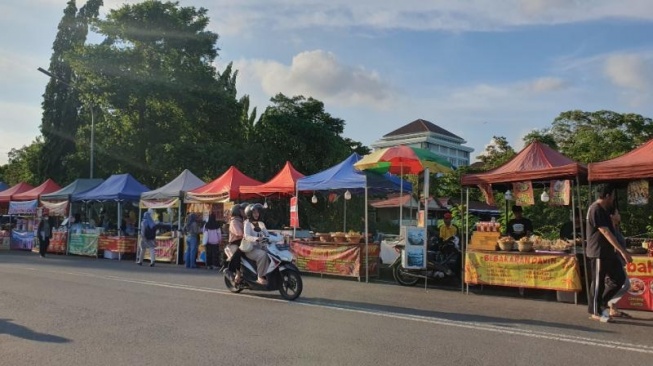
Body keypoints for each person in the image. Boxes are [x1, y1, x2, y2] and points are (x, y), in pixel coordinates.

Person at [586, 183, 632, 323]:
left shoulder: (605, 210)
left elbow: (611, 229)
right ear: (607, 195)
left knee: (619, 279)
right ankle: (595, 311)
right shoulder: (595, 209)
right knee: (599, 283)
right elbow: (605, 232)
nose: (613, 199)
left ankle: (601, 304)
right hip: (598, 252)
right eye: (612, 196)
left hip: (608, 253)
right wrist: (623, 251)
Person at [606, 208, 632, 319]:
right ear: (611, 216)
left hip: (619, 262)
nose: (619, 215)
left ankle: (612, 308)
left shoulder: (616, 228)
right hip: (614, 262)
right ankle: (608, 305)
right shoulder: (609, 230)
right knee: (625, 284)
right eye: (617, 213)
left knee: (623, 284)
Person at [243, 203, 271, 285]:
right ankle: (260, 277)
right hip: (250, 249)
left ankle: (268, 275)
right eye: (254, 212)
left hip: (260, 247)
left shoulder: (261, 223)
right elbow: (246, 236)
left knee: (272, 254)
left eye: (257, 212)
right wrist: (256, 239)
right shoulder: (247, 223)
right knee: (263, 255)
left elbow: (267, 234)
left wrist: (276, 237)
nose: (256, 214)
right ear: (250, 214)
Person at [227, 203, 247, 283]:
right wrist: (246, 235)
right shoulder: (234, 221)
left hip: (244, 241)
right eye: (242, 210)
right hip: (235, 243)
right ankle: (233, 271)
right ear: (237, 211)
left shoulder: (243, 220)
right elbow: (238, 233)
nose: (244, 211)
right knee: (239, 252)